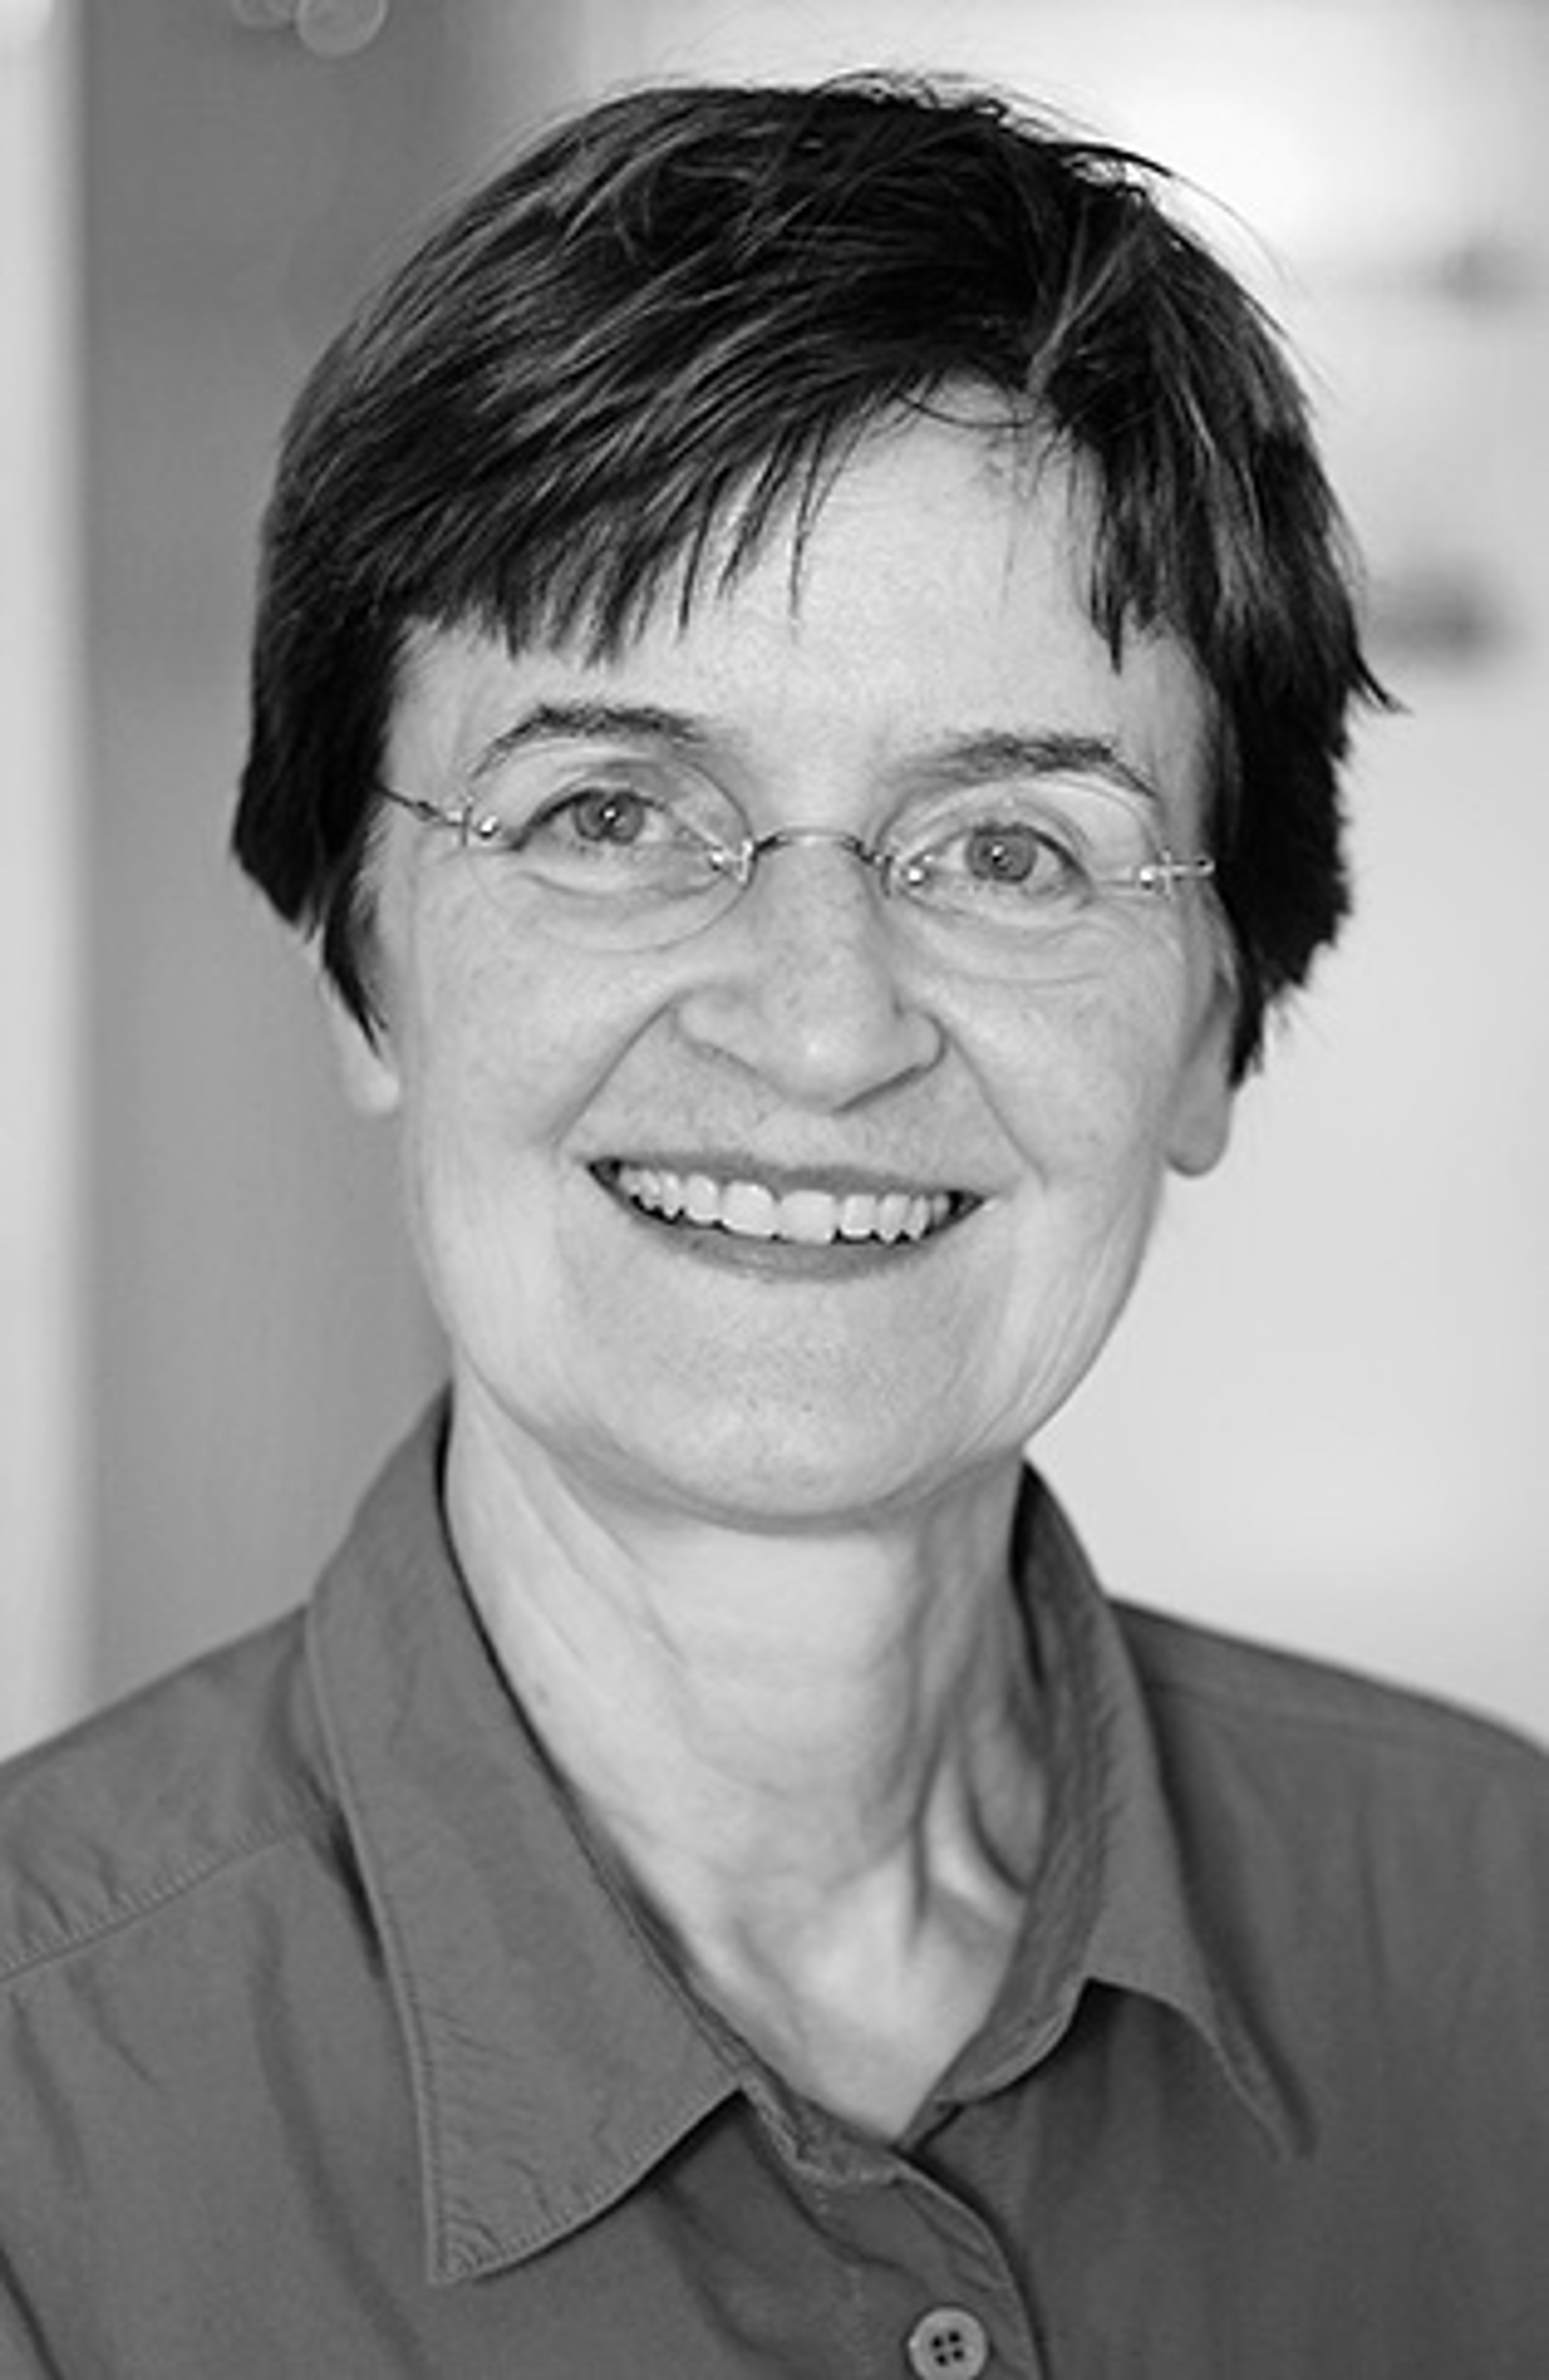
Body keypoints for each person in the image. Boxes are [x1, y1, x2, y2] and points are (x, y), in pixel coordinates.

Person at [1, 72, 1544, 2379]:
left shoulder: (1498, 1934)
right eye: (614, 812)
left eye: (1007, 850)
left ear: (1217, 1019)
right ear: (356, 952)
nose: (820, 1028)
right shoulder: (41, 2119)